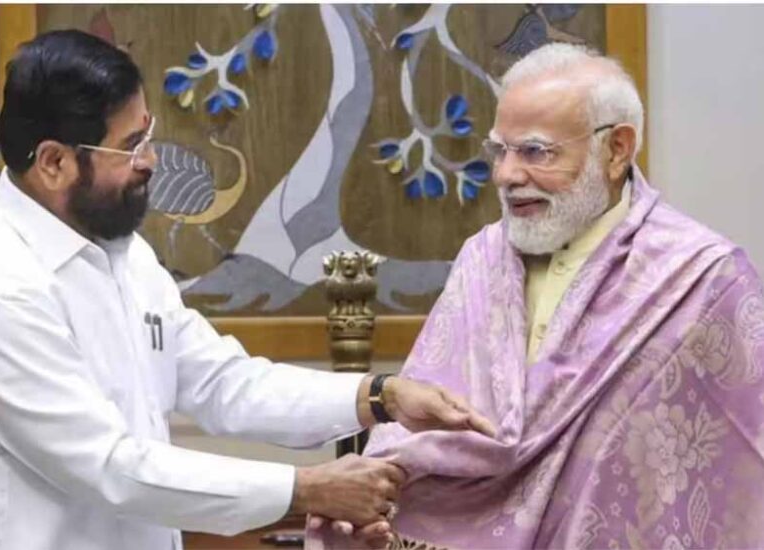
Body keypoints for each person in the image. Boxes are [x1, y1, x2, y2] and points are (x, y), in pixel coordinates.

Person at [0, 30, 496, 550]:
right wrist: (306, 489)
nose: (151, 160)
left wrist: (380, 396)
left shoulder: (123, 255)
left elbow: (220, 382)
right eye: (130, 144)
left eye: (148, 134)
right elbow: (109, 467)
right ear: (53, 162)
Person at [310, 43, 764, 549]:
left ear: (616, 150)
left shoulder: (704, 278)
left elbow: (745, 457)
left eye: (535, 151)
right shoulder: (482, 258)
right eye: (499, 151)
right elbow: (427, 409)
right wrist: (376, 490)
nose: (506, 175)